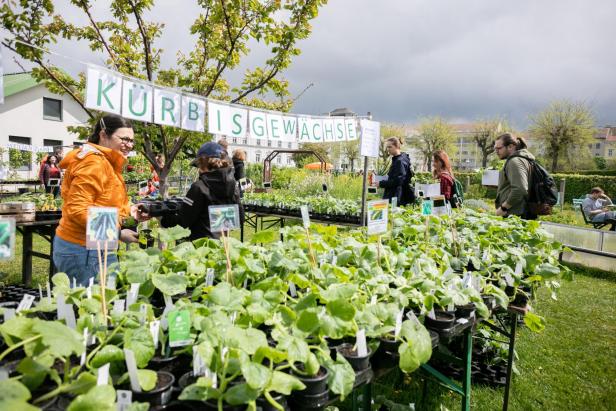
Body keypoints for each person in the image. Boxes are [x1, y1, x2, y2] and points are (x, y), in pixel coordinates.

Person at [53, 114, 149, 286]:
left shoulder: (105, 161)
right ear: (104, 135)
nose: (129, 145)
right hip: (83, 249)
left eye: (132, 140)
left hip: (94, 245)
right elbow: (78, 210)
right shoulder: (94, 163)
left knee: (101, 305)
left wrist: (129, 212)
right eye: (125, 139)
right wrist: (118, 233)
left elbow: (104, 202)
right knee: (93, 308)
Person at [161, 142, 243, 241]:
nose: (198, 169)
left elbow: (183, 221)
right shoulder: (233, 187)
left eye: (199, 165)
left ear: (203, 163)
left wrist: (163, 218)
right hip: (222, 246)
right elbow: (240, 218)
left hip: (200, 248)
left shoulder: (199, 187)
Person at [494, 132, 535, 219]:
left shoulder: (514, 161)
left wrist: (503, 208)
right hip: (521, 212)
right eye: (495, 148)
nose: (496, 151)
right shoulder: (523, 160)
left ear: (510, 147)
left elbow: (520, 189)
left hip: (515, 215)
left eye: (499, 148)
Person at [378, 137, 414, 206]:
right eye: (387, 147)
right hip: (399, 194)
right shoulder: (402, 158)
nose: (388, 149)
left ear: (397, 146)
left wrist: (381, 183)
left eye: (390, 147)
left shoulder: (399, 161)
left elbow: (398, 181)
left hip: (396, 195)